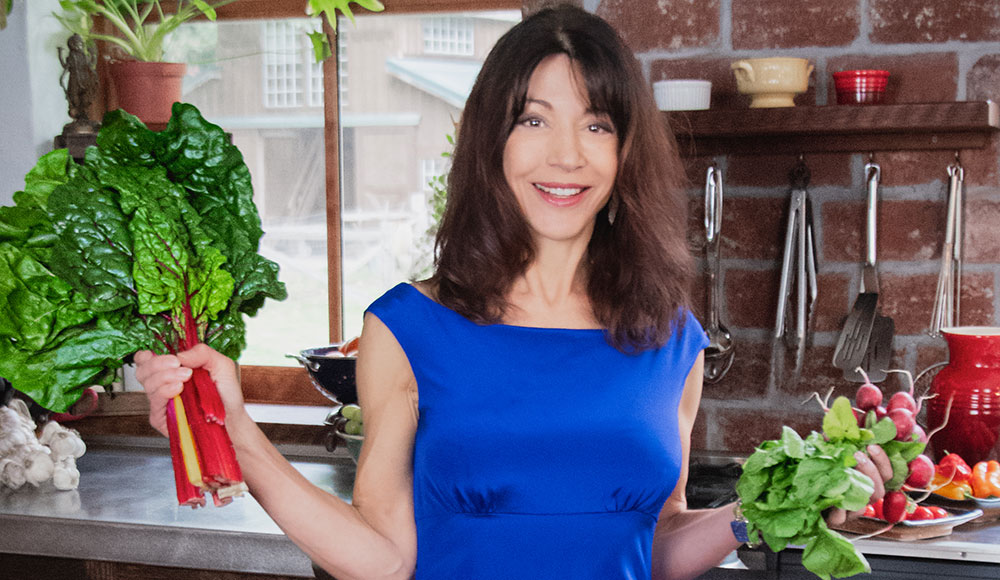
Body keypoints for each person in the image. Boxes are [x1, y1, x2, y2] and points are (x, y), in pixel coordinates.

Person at [135, 5, 892, 579]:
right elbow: (383, 558)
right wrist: (239, 433)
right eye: (533, 119)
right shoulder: (409, 328)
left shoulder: (670, 338)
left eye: (597, 125)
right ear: (491, 143)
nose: (566, 156)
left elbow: (652, 544)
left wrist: (771, 506)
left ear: (625, 152)